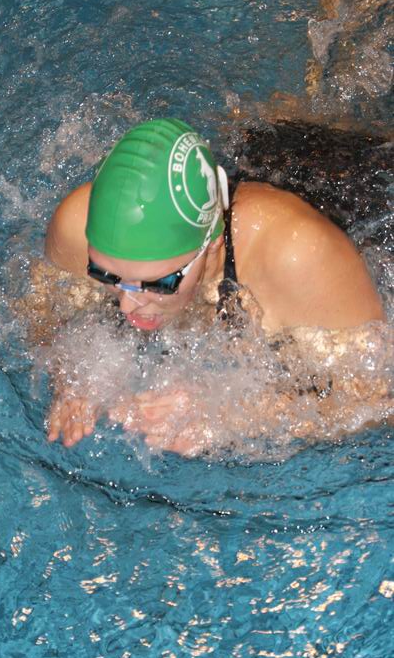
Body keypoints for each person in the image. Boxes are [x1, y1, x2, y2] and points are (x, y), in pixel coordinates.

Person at [43, 118, 386, 450]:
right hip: (254, 163)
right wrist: (69, 375)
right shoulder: (77, 226)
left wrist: (232, 416)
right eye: (106, 276)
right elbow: (40, 313)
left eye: (158, 283)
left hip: (356, 189)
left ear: (212, 245)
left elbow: (376, 398)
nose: (126, 305)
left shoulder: (300, 257)